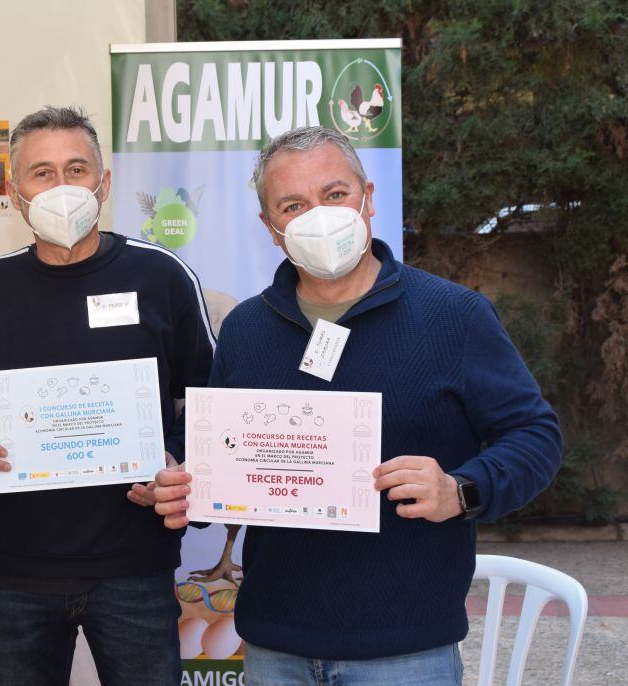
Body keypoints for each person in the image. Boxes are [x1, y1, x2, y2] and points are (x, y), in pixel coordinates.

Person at [152, 126, 562, 685]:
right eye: (293, 205)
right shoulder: (246, 329)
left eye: (335, 194)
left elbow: (536, 436)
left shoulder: (454, 316)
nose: (318, 216)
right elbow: (220, 464)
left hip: (407, 652)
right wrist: (182, 483)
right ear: (271, 230)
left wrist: (462, 490)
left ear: (368, 199)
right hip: (275, 648)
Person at [0, 106, 215, 686]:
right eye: (42, 173)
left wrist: (179, 465)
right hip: (20, 571)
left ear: (105, 182)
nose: (62, 186)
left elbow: (208, 404)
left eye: (77, 168)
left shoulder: (163, 277)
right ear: (15, 191)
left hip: (135, 571)